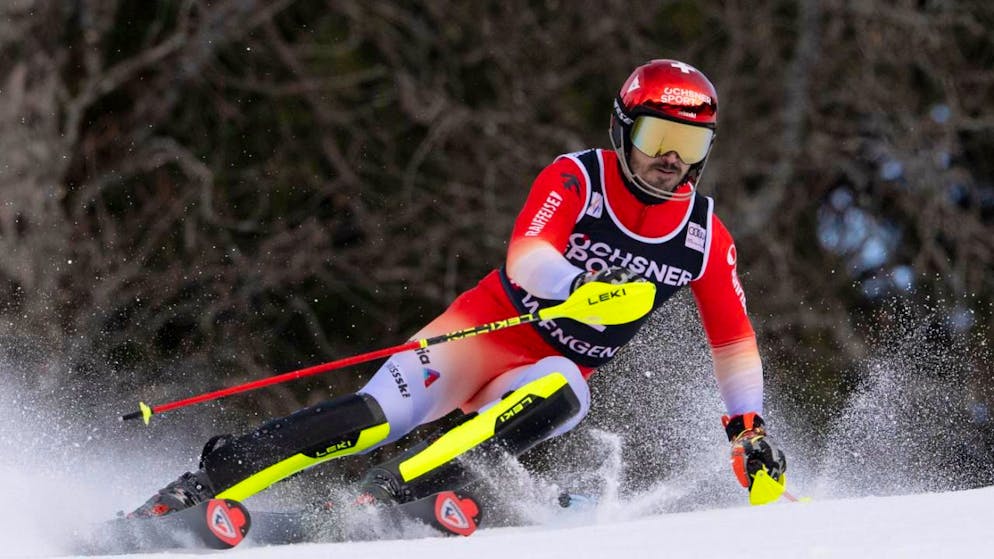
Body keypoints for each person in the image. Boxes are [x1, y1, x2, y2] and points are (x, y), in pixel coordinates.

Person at [130, 59, 787, 518]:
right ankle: (213, 478)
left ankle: (383, 494)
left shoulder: (705, 236)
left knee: (566, 390)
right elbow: (527, 256)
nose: (671, 156)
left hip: (544, 371)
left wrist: (747, 432)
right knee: (373, 418)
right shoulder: (576, 179)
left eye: (689, 141)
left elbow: (733, 340)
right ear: (623, 130)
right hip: (481, 333)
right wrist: (577, 283)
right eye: (657, 137)